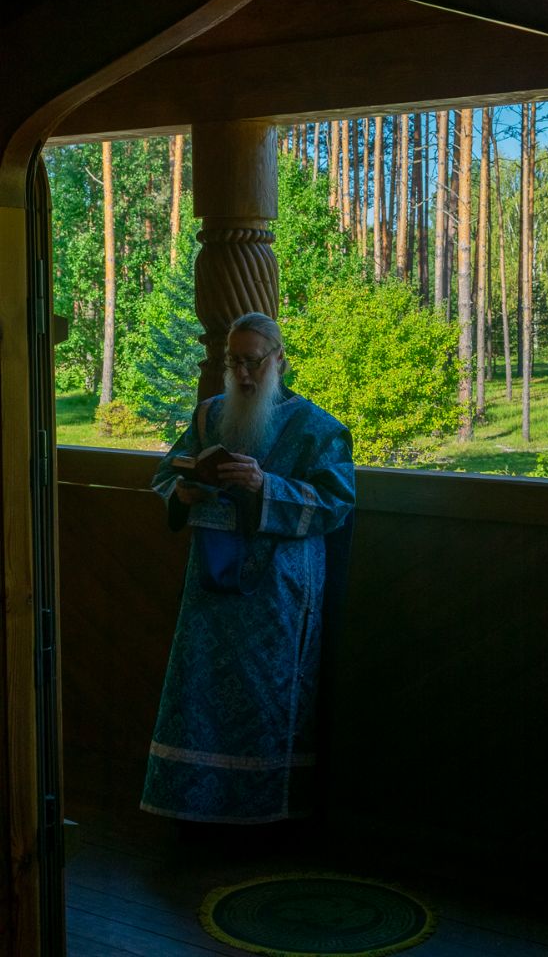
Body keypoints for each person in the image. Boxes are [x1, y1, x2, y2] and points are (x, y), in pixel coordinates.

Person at [140, 312, 355, 826]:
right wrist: (184, 490)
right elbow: (166, 473)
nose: (241, 373)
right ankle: (194, 809)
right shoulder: (208, 416)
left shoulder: (318, 428)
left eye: (252, 361)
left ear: (280, 360)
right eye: (232, 361)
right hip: (209, 587)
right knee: (199, 697)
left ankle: (262, 817)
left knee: (267, 698)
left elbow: (336, 502)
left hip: (278, 592)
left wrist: (266, 486)